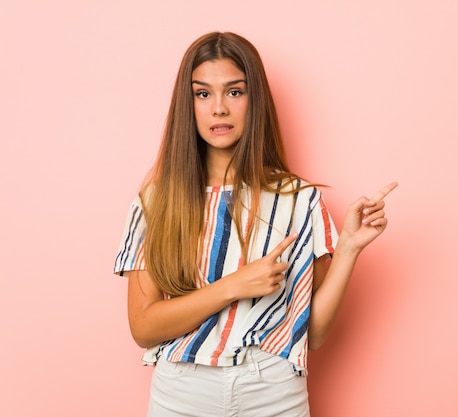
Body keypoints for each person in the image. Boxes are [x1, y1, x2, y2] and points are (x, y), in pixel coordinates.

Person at [113, 31, 397, 417]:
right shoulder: (156, 201)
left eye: (234, 92)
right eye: (202, 94)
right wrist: (234, 286)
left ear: (254, 99)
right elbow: (143, 328)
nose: (218, 109)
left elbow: (311, 335)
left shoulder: (298, 199)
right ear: (188, 104)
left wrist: (348, 248)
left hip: (273, 392)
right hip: (182, 393)